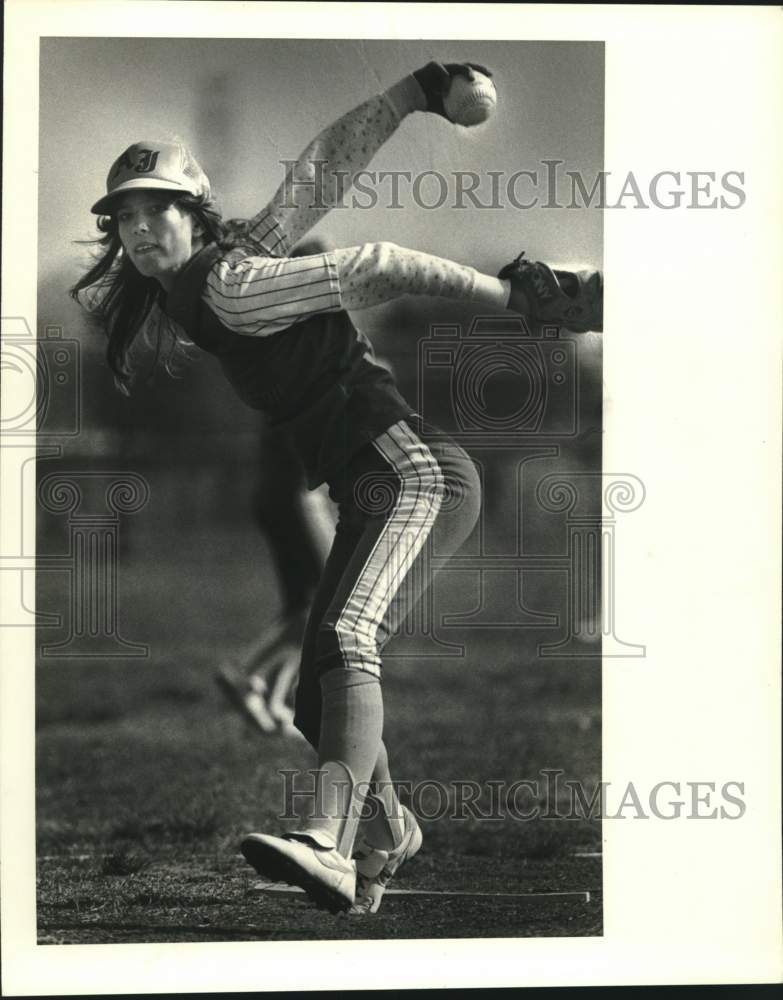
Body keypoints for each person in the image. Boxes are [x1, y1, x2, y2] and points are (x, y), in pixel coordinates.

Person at [73, 61, 602, 916]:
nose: (138, 227)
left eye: (156, 206)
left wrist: (520, 300)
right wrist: (412, 93)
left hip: (412, 470)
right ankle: (388, 833)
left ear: (192, 210)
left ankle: (326, 841)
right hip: (368, 485)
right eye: (124, 214)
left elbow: (380, 263)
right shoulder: (217, 275)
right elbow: (320, 170)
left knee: (349, 636)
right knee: (320, 696)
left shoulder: (230, 286)